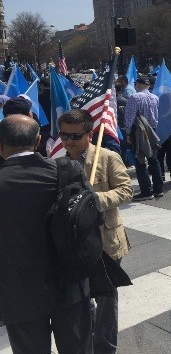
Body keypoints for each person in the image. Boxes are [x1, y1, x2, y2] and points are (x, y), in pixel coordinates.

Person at [0, 115, 93, 353]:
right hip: (69, 282)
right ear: (39, 140)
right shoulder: (68, 169)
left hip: (18, 292)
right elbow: (95, 216)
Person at [58, 108, 133, 353]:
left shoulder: (107, 157)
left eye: (75, 136)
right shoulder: (58, 162)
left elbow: (125, 190)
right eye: (64, 135)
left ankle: (106, 347)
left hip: (105, 242)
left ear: (89, 134)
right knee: (80, 299)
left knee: (106, 299)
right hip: (75, 245)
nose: (68, 141)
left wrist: (91, 201)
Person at [125, 76, 164, 200]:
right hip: (152, 130)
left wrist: (127, 133)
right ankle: (158, 189)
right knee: (153, 159)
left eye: (136, 84)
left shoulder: (134, 97)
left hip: (139, 131)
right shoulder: (155, 97)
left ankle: (146, 191)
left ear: (139, 85)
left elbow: (129, 117)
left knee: (140, 160)